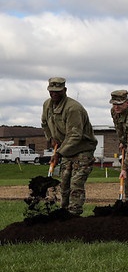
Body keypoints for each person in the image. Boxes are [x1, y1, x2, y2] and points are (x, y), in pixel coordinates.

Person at [40, 77, 98, 216]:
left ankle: (74, 215)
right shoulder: (47, 105)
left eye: (57, 91)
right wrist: (51, 139)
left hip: (82, 150)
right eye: (51, 91)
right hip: (66, 151)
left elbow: (75, 136)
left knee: (76, 184)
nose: (54, 94)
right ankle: (63, 213)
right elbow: (44, 123)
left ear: (64, 90)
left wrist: (58, 153)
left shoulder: (73, 109)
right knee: (64, 184)